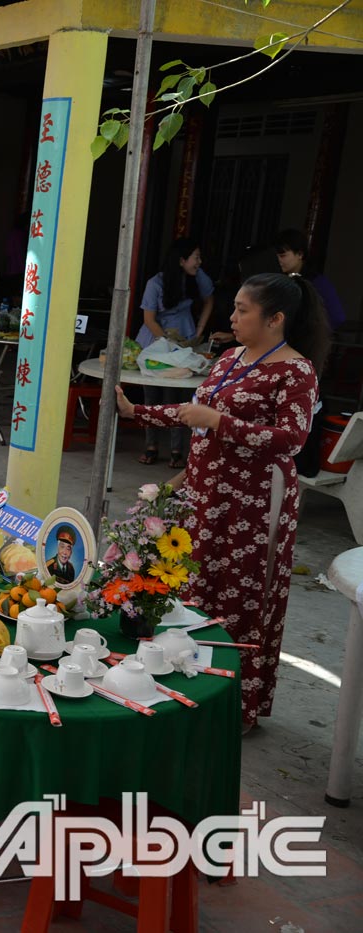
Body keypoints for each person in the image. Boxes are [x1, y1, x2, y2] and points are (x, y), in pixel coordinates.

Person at [115, 272, 328, 732]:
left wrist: (219, 421)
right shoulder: (230, 358)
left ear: (275, 319)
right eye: (233, 307)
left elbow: (291, 440)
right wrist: (137, 412)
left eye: (243, 310)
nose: (231, 317)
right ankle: (192, 692)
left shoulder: (296, 370)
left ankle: (238, 709)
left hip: (255, 502)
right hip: (208, 495)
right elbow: (196, 414)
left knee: (244, 599)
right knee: (197, 592)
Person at [135, 238, 215, 469]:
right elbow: (148, 319)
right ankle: (151, 446)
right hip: (155, 343)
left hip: (184, 340)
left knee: (178, 398)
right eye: (196, 257)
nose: (199, 262)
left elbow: (210, 300)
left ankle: (177, 451)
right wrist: (168, 346)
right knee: (151, 397)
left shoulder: (197, 277)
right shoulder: (155, 283)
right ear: (181, 260)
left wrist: (199, 330)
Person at [273, 229, 346, 331]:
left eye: (283, 256)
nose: (279, 260)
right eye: (277, 256)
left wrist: (311, 333)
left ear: (300, 254)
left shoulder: (318, 282)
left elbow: (337, 317)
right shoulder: (280, 279)